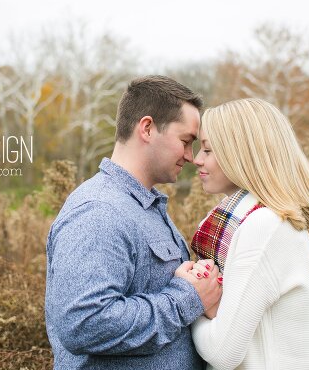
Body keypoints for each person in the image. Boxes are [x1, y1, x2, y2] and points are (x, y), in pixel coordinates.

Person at [45, 75, 222, 370]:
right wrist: (186, 298)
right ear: (148, 128)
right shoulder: (99, 212)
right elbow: (84, 324)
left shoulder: (143, 206)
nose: (191, 157)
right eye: (185, 141)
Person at [187, 98, 309, 369]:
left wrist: (194, 295)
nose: (197, 159)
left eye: (208, 149)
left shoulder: (264, 227)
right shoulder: (259, 221)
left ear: (240, 154)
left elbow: (222, 351)